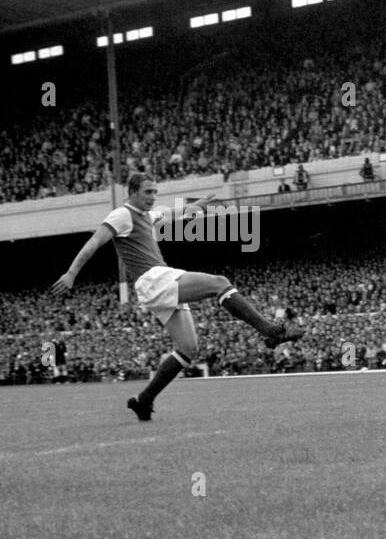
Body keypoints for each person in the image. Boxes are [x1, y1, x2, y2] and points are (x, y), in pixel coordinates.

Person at [50, 173, 303, 420]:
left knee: (187, 349)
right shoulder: (122, 215)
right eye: (148, 192)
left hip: (157, 282)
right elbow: (93, 243)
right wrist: (71, 273)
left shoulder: (146, 215)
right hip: (153, 279)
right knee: (220, 283)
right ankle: (271, 331)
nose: (152, 197)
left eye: (155, 192)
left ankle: (144, 400)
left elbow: (171, 213)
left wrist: (196, 206)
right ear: (133, 192)